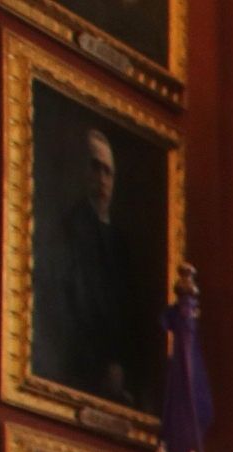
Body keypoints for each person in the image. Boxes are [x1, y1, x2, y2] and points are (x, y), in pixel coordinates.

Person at [46, 127, 144, 404]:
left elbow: (129, 315)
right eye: (95, 168)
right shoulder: (70, 230)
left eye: (108, 172)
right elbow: (70, 307)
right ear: (83, 173)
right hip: (83, 372)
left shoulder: (120, 242)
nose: (102, 179)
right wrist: (101, 366)